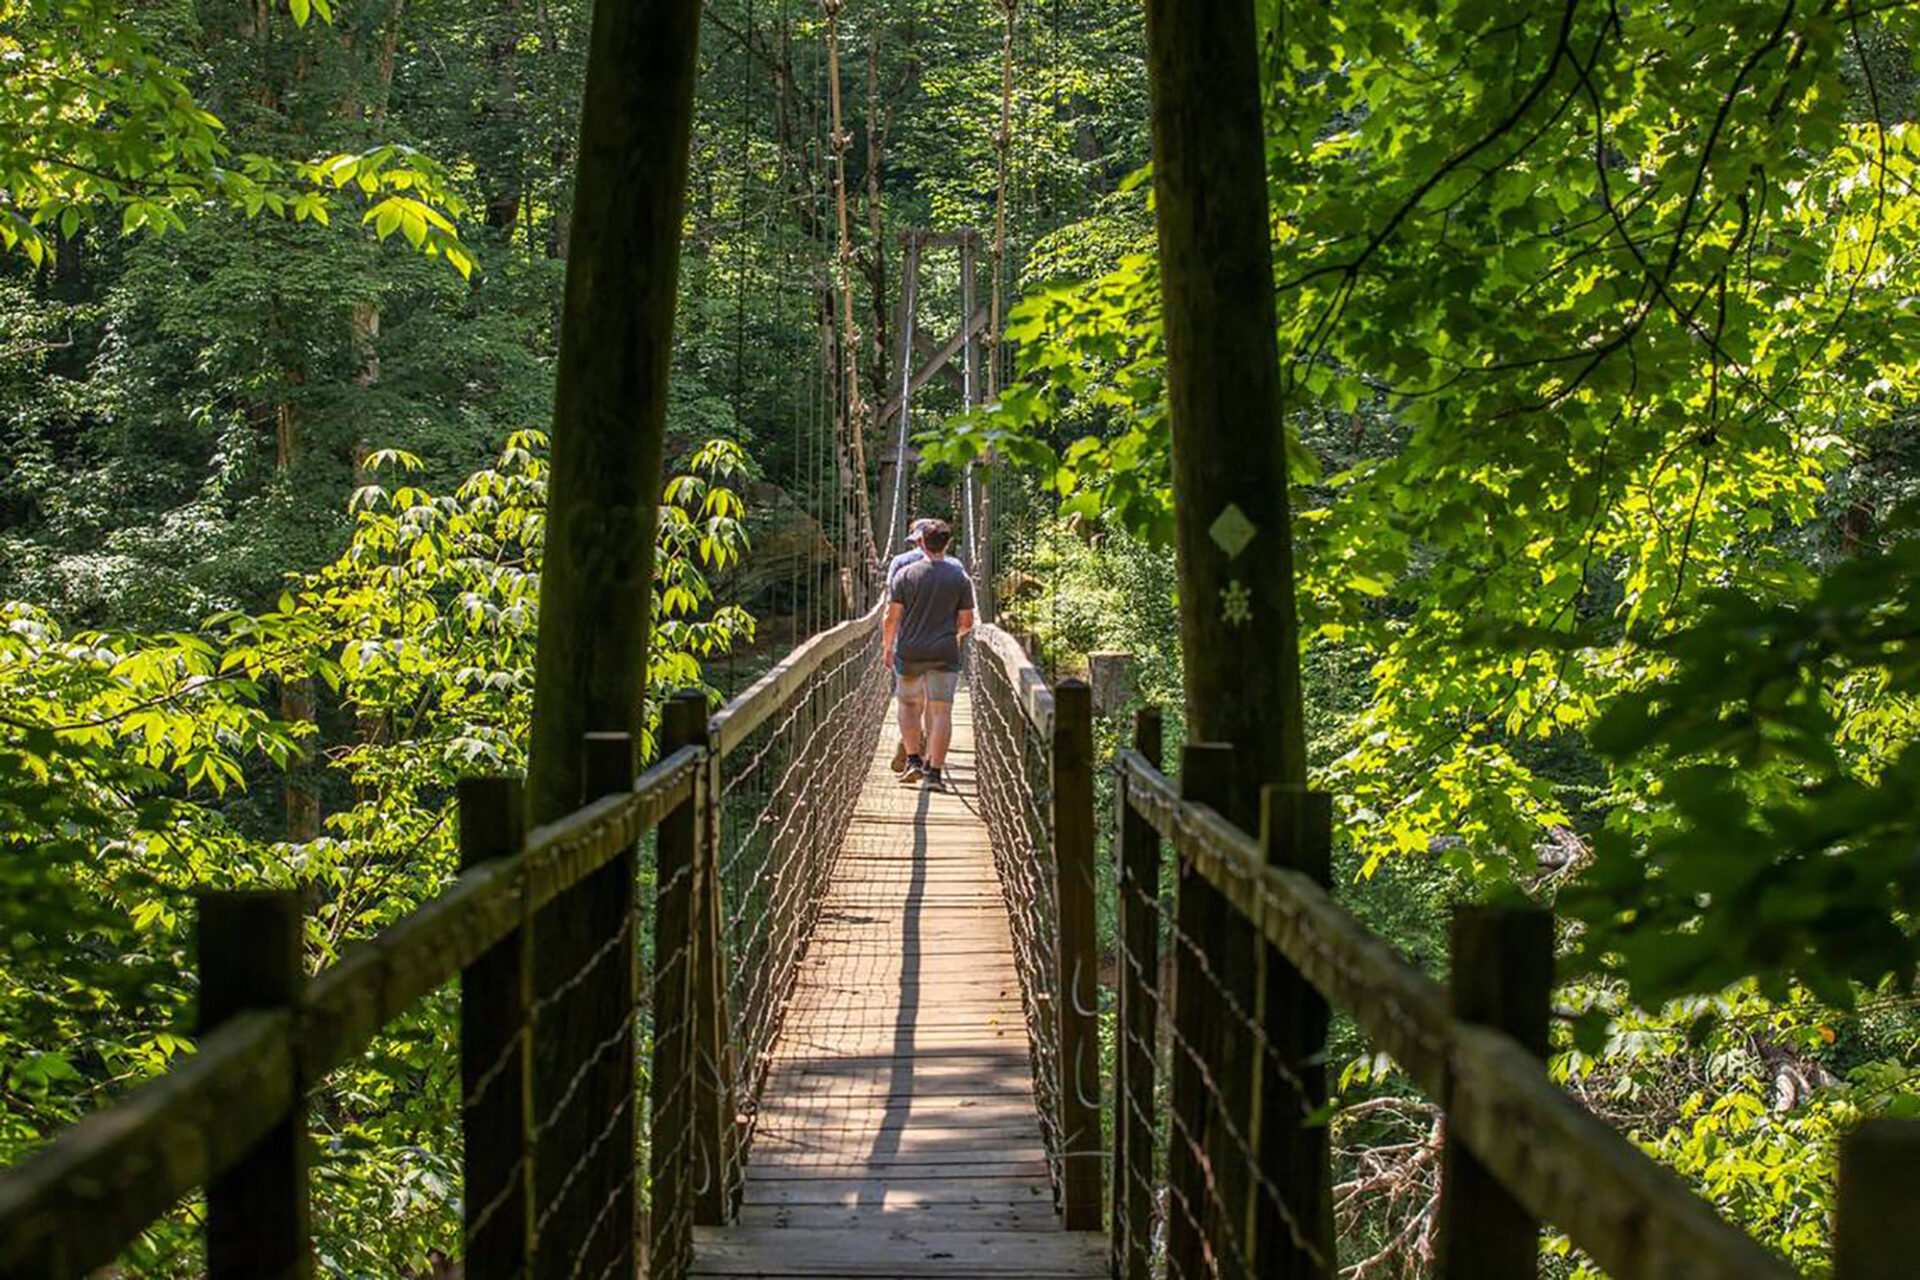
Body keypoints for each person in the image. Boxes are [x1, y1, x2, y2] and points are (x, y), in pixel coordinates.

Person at [883, 518, 973, 789]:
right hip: (944, 653)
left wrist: (887, 647)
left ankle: (912, 761)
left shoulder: (904, 575)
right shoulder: (959, 576)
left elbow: (891, 617)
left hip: (910, 651)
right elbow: (967, 622)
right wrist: (950, 637)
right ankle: (934, 773)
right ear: (947, 543)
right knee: (941, 711)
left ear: (921, 542)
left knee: (909, 705)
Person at [887, 519, 931, 772]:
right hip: (939, 643)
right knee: (930, 700)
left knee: (907, 700)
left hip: (906, 640)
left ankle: (910, 746)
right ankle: (922, 753)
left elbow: (891, 607)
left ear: (915, 539)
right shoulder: (952, 565)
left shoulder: (899, 563)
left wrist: (887, 643)